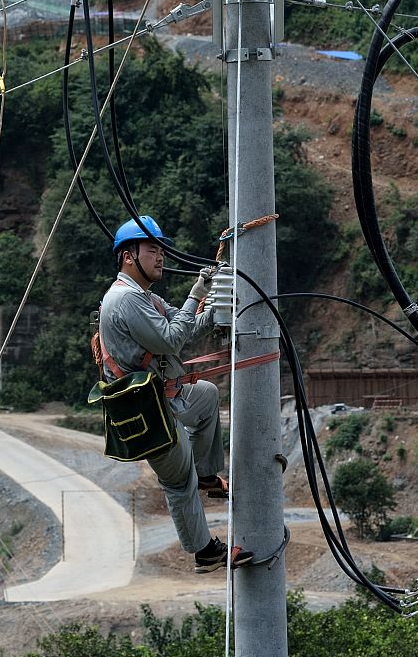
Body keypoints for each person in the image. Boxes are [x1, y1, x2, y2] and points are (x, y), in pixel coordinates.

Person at [98, 215, 253, 570]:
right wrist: (195, 294)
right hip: (144, 409)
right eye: (152, 250)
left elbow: (186, 325)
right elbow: (171, 338)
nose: (160, 257)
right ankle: (205, 551)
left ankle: (207, 474)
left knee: (207, 395)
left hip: (163, 396)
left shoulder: (144, 298)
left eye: (161, 251)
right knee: (177, 480)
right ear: (127, 256)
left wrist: (215, 304)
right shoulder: (124, 301)